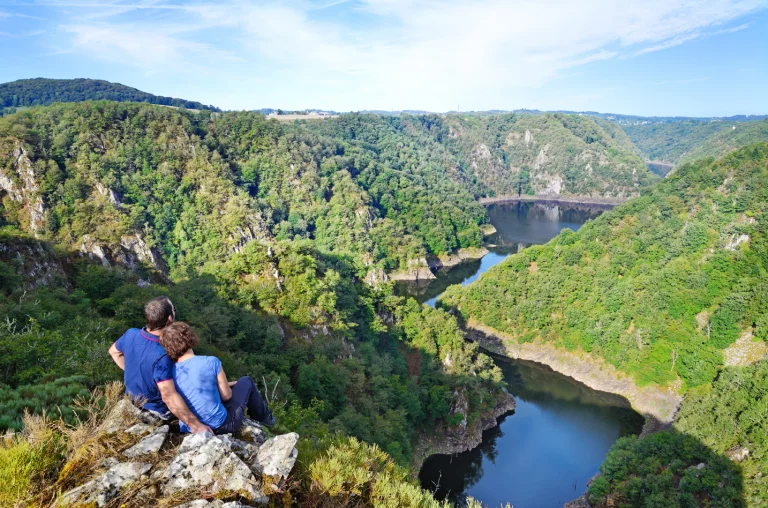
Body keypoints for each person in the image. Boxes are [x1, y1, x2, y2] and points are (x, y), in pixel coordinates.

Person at [108, 296, 212, 434]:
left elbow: (114, 352)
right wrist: (196, 425)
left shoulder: (130, 334)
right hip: (156, 410)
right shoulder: (163, 352)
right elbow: (168, 396)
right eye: (174, 309)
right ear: (170, 319)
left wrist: (136, 371)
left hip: (131, 401)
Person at [159, 321, 276, 434]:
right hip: (221, 425)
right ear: (190, 338)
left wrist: (214, 385)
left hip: (190, 429)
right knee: (246, 381)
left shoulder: (168, 373)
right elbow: (226, 396)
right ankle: (265, 418)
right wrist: (223, 386)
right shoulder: (211, 362)